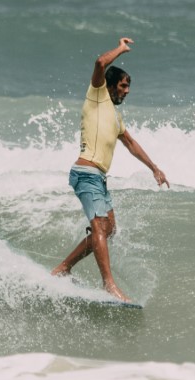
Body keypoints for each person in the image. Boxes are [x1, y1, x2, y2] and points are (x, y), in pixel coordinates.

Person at [51, 37, 169, 302]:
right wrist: (121, 49)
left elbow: (130, 143)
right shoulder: (97, 95)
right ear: (111, 84)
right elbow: (100, 63)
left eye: (128, 87)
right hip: (85, 174)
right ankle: (109, 285)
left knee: (108, 229)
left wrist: (154, 168)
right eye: (124, 85)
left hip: (99, 179)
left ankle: (64, 268)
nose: (127, 91)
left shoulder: (116, 116)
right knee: (99, 227)